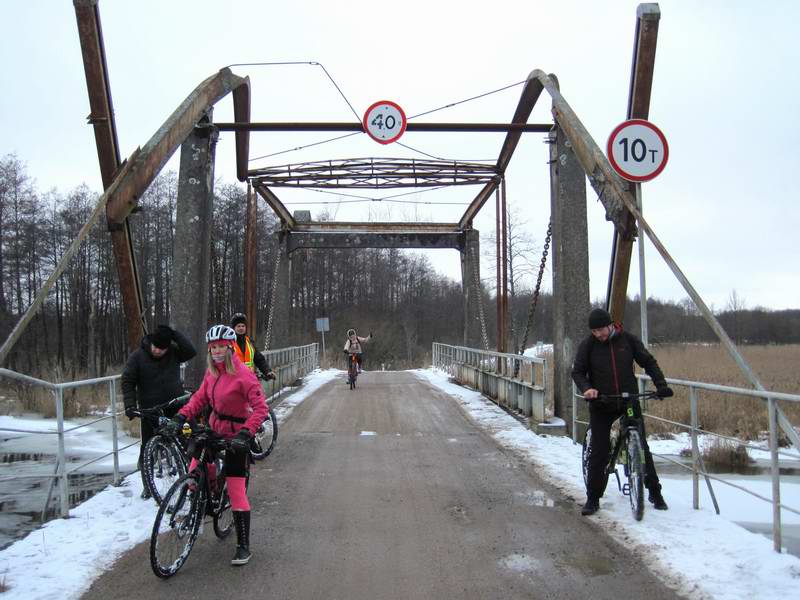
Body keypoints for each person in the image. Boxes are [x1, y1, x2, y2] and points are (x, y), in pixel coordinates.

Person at [168, 324, 267, 566]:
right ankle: (204, 497)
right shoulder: (211, 373)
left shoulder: (244, 375)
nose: (217, 351)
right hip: (214, 427)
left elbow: (261, 409)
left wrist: (246, 433)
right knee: (195, 468)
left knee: (235, 490)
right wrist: (181, 416)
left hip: (237, 435)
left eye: (222, 346)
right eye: (213, 347)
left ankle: (243, 545)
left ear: (231, 347)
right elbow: (199, 398)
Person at [571, 308, 673, 516]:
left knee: (642, 446)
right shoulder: (588, 345)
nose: (598, 334)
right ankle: (593, 498)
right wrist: (587, 389)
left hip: (628, 400)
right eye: (594, 331)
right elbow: (578, 371)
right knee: (599, 450)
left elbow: (649, 362)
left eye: (600, 330)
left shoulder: (628, 341)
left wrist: (661, 385)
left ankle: (654, 492)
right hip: (602, 402)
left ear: (611, 325)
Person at [121, 324, 197, 499]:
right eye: (155, 347)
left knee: (191, 438)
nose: (158, 351)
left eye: (162, 349)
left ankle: (195, 478)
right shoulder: (137, 357)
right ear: (151, 343)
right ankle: (148, 486)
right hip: (151, 410)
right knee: (147, 448)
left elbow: (191, 351)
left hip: (175, 405)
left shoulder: (174, 351)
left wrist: (175, 334)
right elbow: (128, 381)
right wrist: (130, 405)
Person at [230, 313, 274, 380]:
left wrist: (267, 371)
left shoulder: (250, 342)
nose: (241, 328)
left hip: (249, 379)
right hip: (234, 380)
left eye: (243, 326)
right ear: (234, 328)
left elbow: (259, 359)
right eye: (238, 326)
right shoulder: (229, 343)